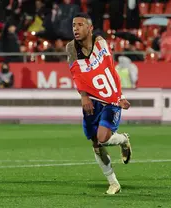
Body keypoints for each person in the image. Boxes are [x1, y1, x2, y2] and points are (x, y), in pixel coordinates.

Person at [66, 13, 132, 195]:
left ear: (90, 28)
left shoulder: (101, 42)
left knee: (103, 137)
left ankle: (124, 139)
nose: (75, 29)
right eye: (73, 25)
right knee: (96, 143)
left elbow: (110, 71)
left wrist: (119, 96)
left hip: (110, 99)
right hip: (91, 101)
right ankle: (113, 183)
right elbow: (76, 75)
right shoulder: (71, 48)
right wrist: (84, 96)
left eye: (80, 25)